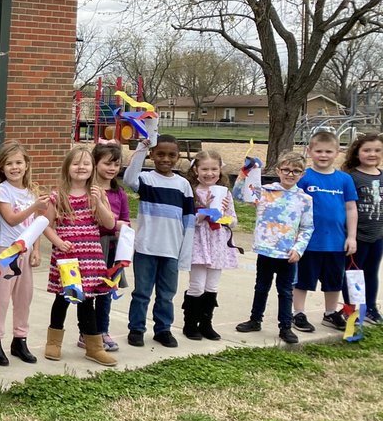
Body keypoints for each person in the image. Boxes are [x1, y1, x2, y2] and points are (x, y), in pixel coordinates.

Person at [42, 146, 116, 365]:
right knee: (62, 299)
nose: (81, 167)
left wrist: (99, 203)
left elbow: (110, 223)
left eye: (86, 163)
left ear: (93, 168)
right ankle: (53, 343)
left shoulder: (98, 194)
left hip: (90, 257)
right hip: (67, 259)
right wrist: (58, 243)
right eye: (76, 163)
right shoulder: (57, 196)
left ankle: (94, 347)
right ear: (67, 168)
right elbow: (46, 225)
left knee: (87, 302)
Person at [123, 134, 195, 347]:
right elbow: (128, 179)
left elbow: (189, 223)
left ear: (178, 156)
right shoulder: (145, 180)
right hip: (146, 248)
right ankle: (136, 328)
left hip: (171, 251)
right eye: (160, 154)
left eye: (171, 155)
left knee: (166, 295)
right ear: (152, 155)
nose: (166, 159)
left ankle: (162, 329)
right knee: (142, 293)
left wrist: (185, 254)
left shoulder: (183, 185)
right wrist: (142, 148)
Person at [235, 151, 314, 343]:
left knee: (285, 291)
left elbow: (307, 227)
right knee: (261, 287)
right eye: (286, 169)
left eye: (296, 171)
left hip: (287, 254)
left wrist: (299, 249)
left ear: (302, 174)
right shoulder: (265, 192)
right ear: (278, 170)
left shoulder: (305, 199)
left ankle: (285, 326)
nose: (290, 174)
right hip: (265, 250)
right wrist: (243, 174)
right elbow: (239, 195)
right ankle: (255, 319)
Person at [0, 141, 49, 366]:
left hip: (25, 251)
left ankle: (19, 339)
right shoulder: (3, 190)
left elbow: (36, 224)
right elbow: (11, 218)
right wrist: (34, 207)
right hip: (5, 252)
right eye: (9, 163)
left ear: (27, 164)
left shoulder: (32, 191)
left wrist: (37, 250)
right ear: (1, 167)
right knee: (0, 300)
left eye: (19, 162)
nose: (15, 167)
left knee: (24, 299)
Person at [291, 131, 357, 332]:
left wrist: (351, 237)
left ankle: (330, 314)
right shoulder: (304, 178)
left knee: (333, 282)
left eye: (329, 151)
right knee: (303, 280)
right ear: (309, 151)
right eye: (318, 151)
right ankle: (298, 314)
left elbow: (351, 208)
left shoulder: (344, 179)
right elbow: (293, 206)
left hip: (336, 242)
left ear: (338, 153)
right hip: (308, 242)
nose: (323, 155)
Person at [181, 150, 238, 341]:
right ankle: (190, 324)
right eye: (204, 169)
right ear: (196, 170)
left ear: (220, 171)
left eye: (214, 169)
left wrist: (222, 216)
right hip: (198, 243)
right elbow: (188, 220)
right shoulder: (191, 191)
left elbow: (234, 220)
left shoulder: (225, 193)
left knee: (211, 286)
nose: (209, 173)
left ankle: (206, 323)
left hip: (217, 244)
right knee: (197, 285)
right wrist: (204, 211)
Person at [87, 142, 129, 352]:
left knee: (105, 292)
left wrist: (118, 226)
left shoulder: (119, 193)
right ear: (95, 164)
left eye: (116, 164)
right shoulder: (88, 191)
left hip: (112, 248)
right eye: (107, 163)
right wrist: (112, 224)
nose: (112, 168)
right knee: (87, 293)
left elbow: (125, 221)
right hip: (91, 246)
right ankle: (86, 332)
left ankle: (103, 330)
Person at [343, 132, 382, 324]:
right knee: (353, 273)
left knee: (371, 272)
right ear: (357, 153)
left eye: (377, 150)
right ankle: (349, 309)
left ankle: (370, 308)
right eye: (367, 150)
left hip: (377, 235)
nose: (372, 154)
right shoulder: (352, 178)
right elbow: (348, 207)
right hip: (357, 236)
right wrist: (351, 236)